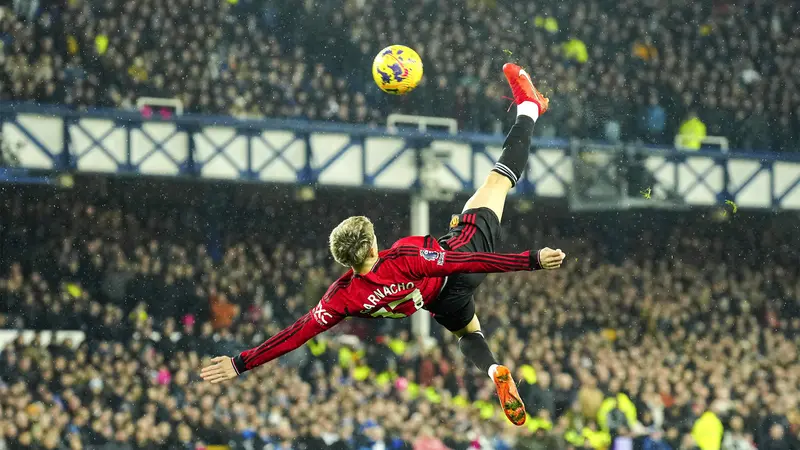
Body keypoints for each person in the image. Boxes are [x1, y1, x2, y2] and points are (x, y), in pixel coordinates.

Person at [200, 63, 564, 426]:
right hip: (459, 261)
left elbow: (295, 334)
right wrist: (532, 259)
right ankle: (528, 108)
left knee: (468, 332)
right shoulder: (403, 256)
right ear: (373, 246)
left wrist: (240, 362)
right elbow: (460, 263)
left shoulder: (342, 296)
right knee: (497, 182)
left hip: (439, 302)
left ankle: (493, 369)